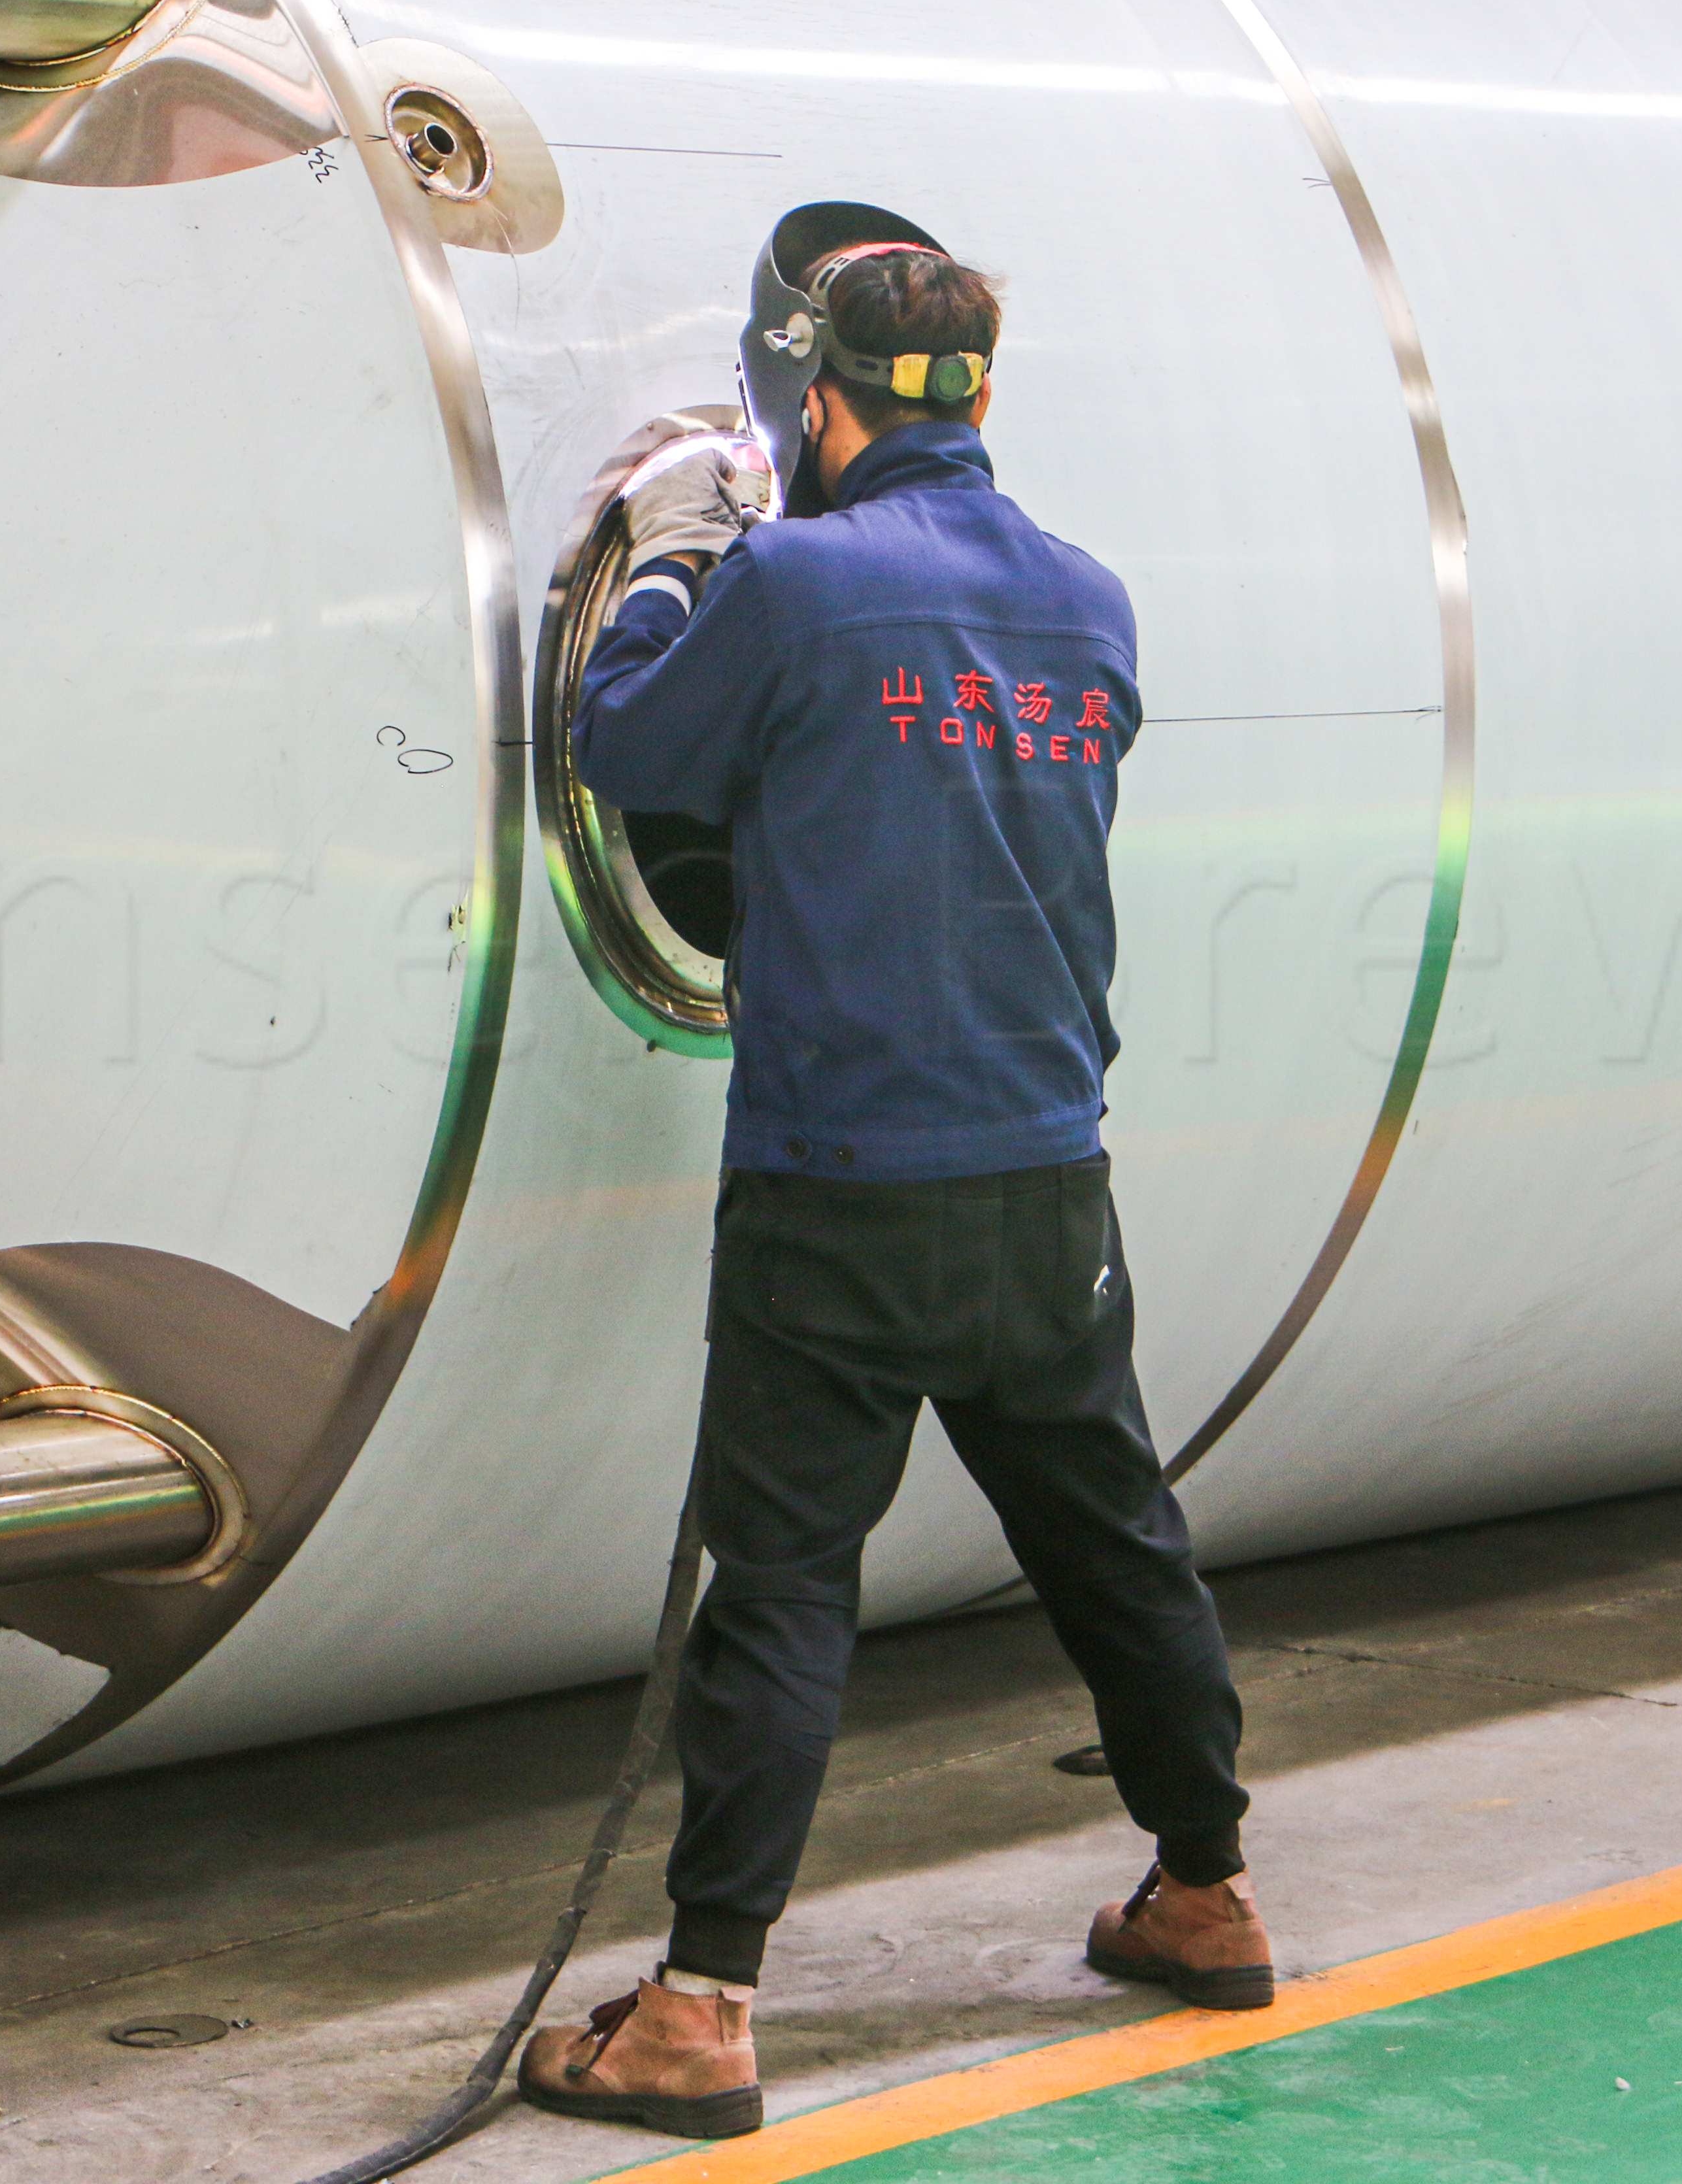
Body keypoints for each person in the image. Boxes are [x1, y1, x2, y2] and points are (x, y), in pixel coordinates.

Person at [516, 209, 1265, 2142]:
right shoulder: (1089, 599)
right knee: (1113, 1539)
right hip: (1042, 1177)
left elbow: (625, 744)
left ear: (816, 401)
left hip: (839, 1190)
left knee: (779, 1589)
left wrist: (678, 552)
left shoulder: (797, 585)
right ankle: (1206, 1887)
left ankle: (700, 2011)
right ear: (984, 396)